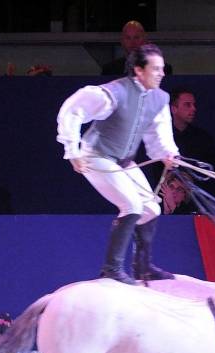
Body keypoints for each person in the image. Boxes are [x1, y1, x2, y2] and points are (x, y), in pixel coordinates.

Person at [57, 44, 179, 285]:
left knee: (152, 209)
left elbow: (159, 134)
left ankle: (143, 267)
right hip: (95, 155)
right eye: (155, 69)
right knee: (132, 205)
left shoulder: (159, 98)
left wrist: (168, 153)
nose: (161, 73)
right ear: (138, 71)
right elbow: (72, 110)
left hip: (123, 161)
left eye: (162, 69)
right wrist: (72, 151)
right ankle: (111, 268)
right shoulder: (115, 93)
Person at [101, 21, 173, 76]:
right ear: (122, 42)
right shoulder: (109, 70)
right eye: (128, 38)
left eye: (136, 37)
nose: (132, 42)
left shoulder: (163, 69)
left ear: (145, 40)